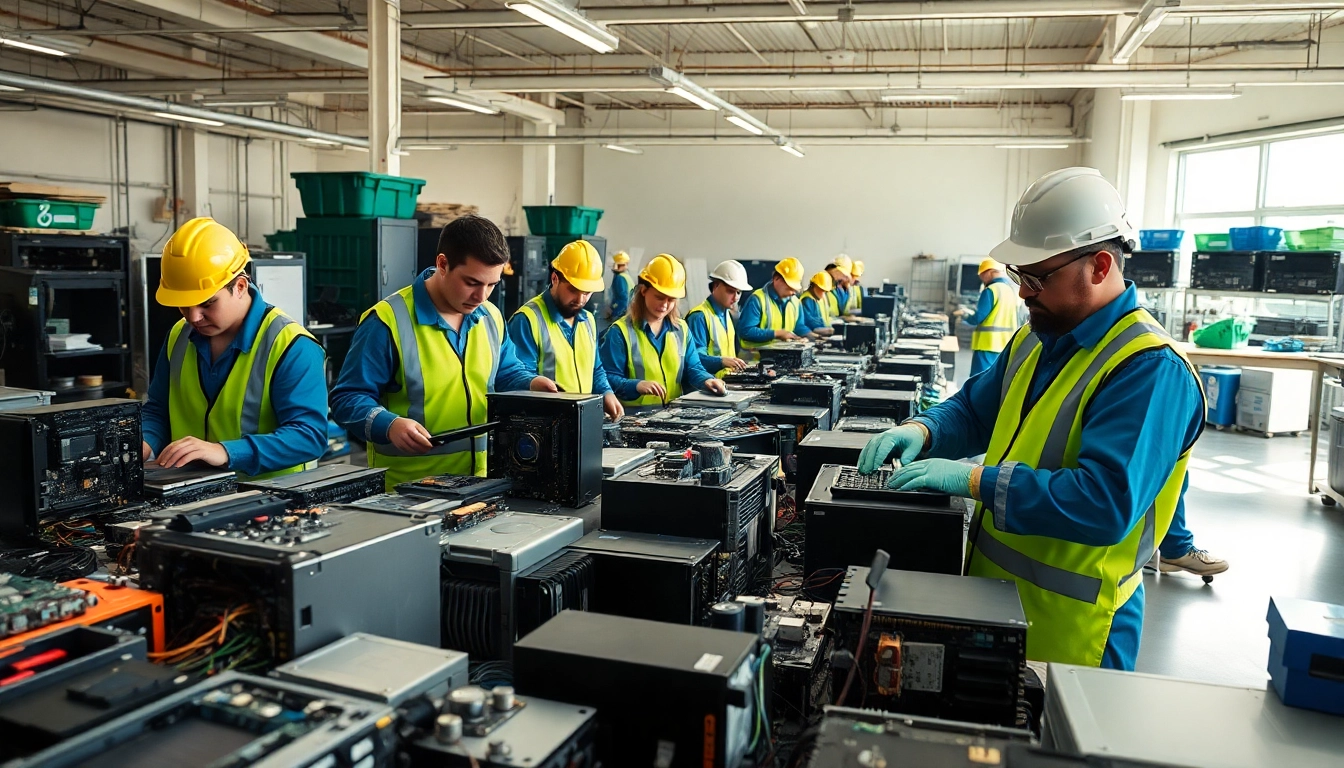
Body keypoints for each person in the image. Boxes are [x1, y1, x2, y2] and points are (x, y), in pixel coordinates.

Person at [857, 167, 1205, 671]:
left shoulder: (1147, 370)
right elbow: (974, 408)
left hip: (1074, 637)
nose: (1023, 292)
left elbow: (1104, 504)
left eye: (1037, 278)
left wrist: (975, 480)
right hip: (993, 609)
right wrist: (925, 428)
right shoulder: (1035, 340)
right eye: (1021, 276)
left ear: (1100, 266)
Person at [331, 215, 557, 490]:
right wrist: (388, 425)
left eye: (492, 285)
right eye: (472, 282)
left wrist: (532, 384)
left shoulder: (491, 318)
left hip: (480, 483)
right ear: (442, 264)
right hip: (410, 493)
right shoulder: (387, 321)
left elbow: (505, 371)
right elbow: (347, 398)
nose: (482, 296)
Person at [141, 218, 328, 479]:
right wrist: (144, 443)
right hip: (190, 496)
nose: (193, 317)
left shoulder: (291, 345)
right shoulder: (178, 336)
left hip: (275, 502)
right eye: (184, 305)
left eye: (206, 304)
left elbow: (309, 437)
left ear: (239, 286)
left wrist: (226, 452)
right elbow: (158, 409)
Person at [508, 240, 624, 420]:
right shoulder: (528, 320)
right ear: (555, 279)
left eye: (587, 292)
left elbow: (595, 369)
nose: (580, 299)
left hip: (580, 423)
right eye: (573, 290)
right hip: (544, 427)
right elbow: (516, 379)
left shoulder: (588, 320)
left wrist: (606, 391)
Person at [600, 253, 727, 406]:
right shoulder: (620, 333)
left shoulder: (682, 330)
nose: (665, 305)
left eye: (671, 300)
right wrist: (636, 385)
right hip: (634, 421)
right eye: (660, 297)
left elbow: (693, 367)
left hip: (672, 417)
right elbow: (607, 378)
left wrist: (707, 380)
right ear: (644, 291)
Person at [957, 258, 1022, 378]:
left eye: (982, 275)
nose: (981, 279)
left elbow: (978, 317)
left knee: (979, 379)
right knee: (995, 379)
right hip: (1005, 344)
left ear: (989, 272)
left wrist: (964, 316)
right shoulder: (1011, 290)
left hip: (987, 344)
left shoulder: (991, 290)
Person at [687, 260, 751, 377]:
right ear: (716, 286)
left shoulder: (728, 315)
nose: (736, 297)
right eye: (731, 291)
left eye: (738, 292)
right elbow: (694, 359)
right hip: (705, 389)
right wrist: (721, 362)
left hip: (726, 384)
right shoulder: (699, 317)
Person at [736, 257, 812, 354]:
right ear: (776, 279)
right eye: (790, 287)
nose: (793, 292)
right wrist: (777, 333)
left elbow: (798, 326)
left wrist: (810, 336)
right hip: (755, 360)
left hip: (781, 359)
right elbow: (746, 331)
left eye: (795, 288)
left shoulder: (795, 302)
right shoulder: (757, 299)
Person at [799, 271, 837, 336]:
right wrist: (831, 330)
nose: (823, 294)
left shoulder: (818, 298)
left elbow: (825, 318)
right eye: (822, 290)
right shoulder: (807, 300)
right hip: (811, 337)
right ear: (814, 286)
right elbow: (812, 324)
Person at [607, 251, 634, 320]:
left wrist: (614, 312)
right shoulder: (627, 276)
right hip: (629, 311)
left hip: (622, 313)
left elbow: (623, 299)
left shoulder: (620, 278)